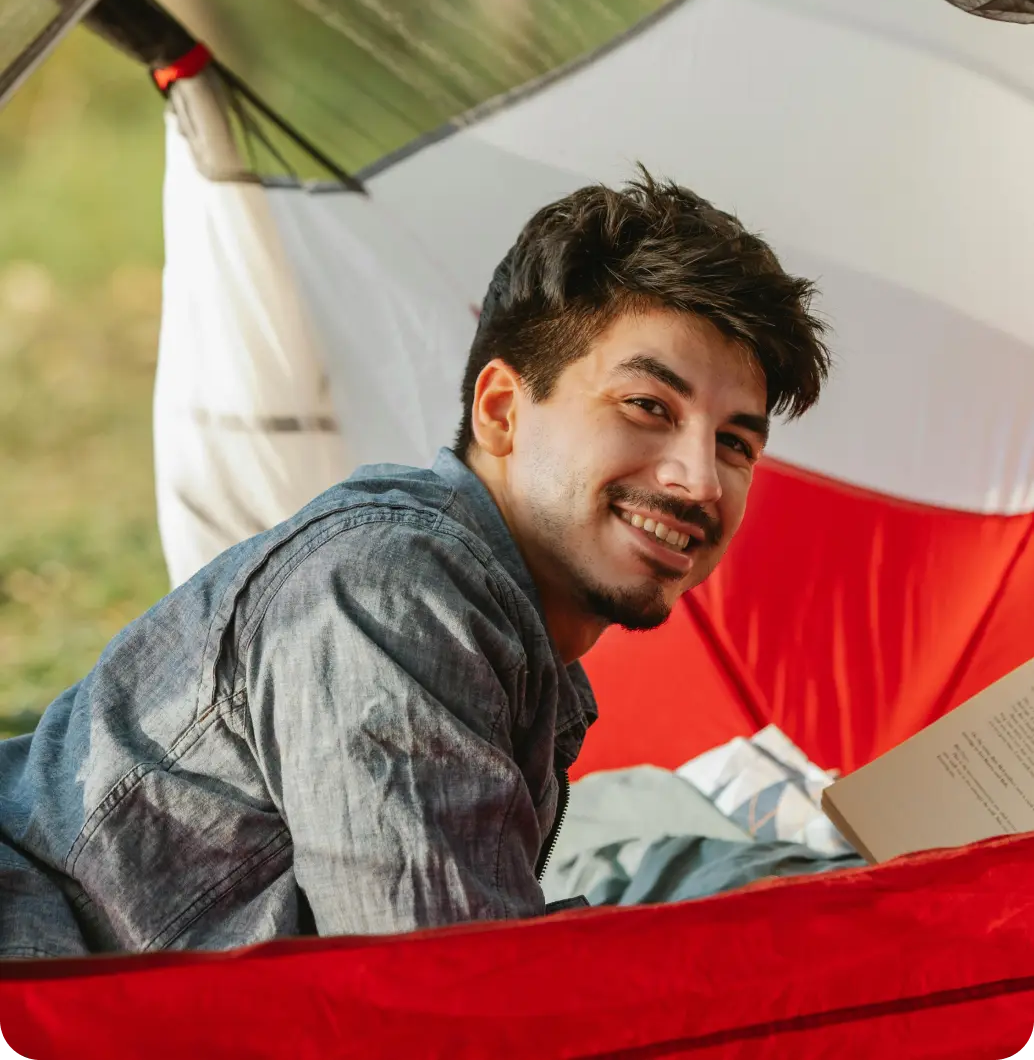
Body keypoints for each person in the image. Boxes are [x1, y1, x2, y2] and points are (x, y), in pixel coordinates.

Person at [0, 170, 829, 956]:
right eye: (647, 406)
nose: (699, 480)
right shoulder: (390, 591)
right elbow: (446, 995)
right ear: (501, 411)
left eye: (735, 443)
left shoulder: (519, 647)